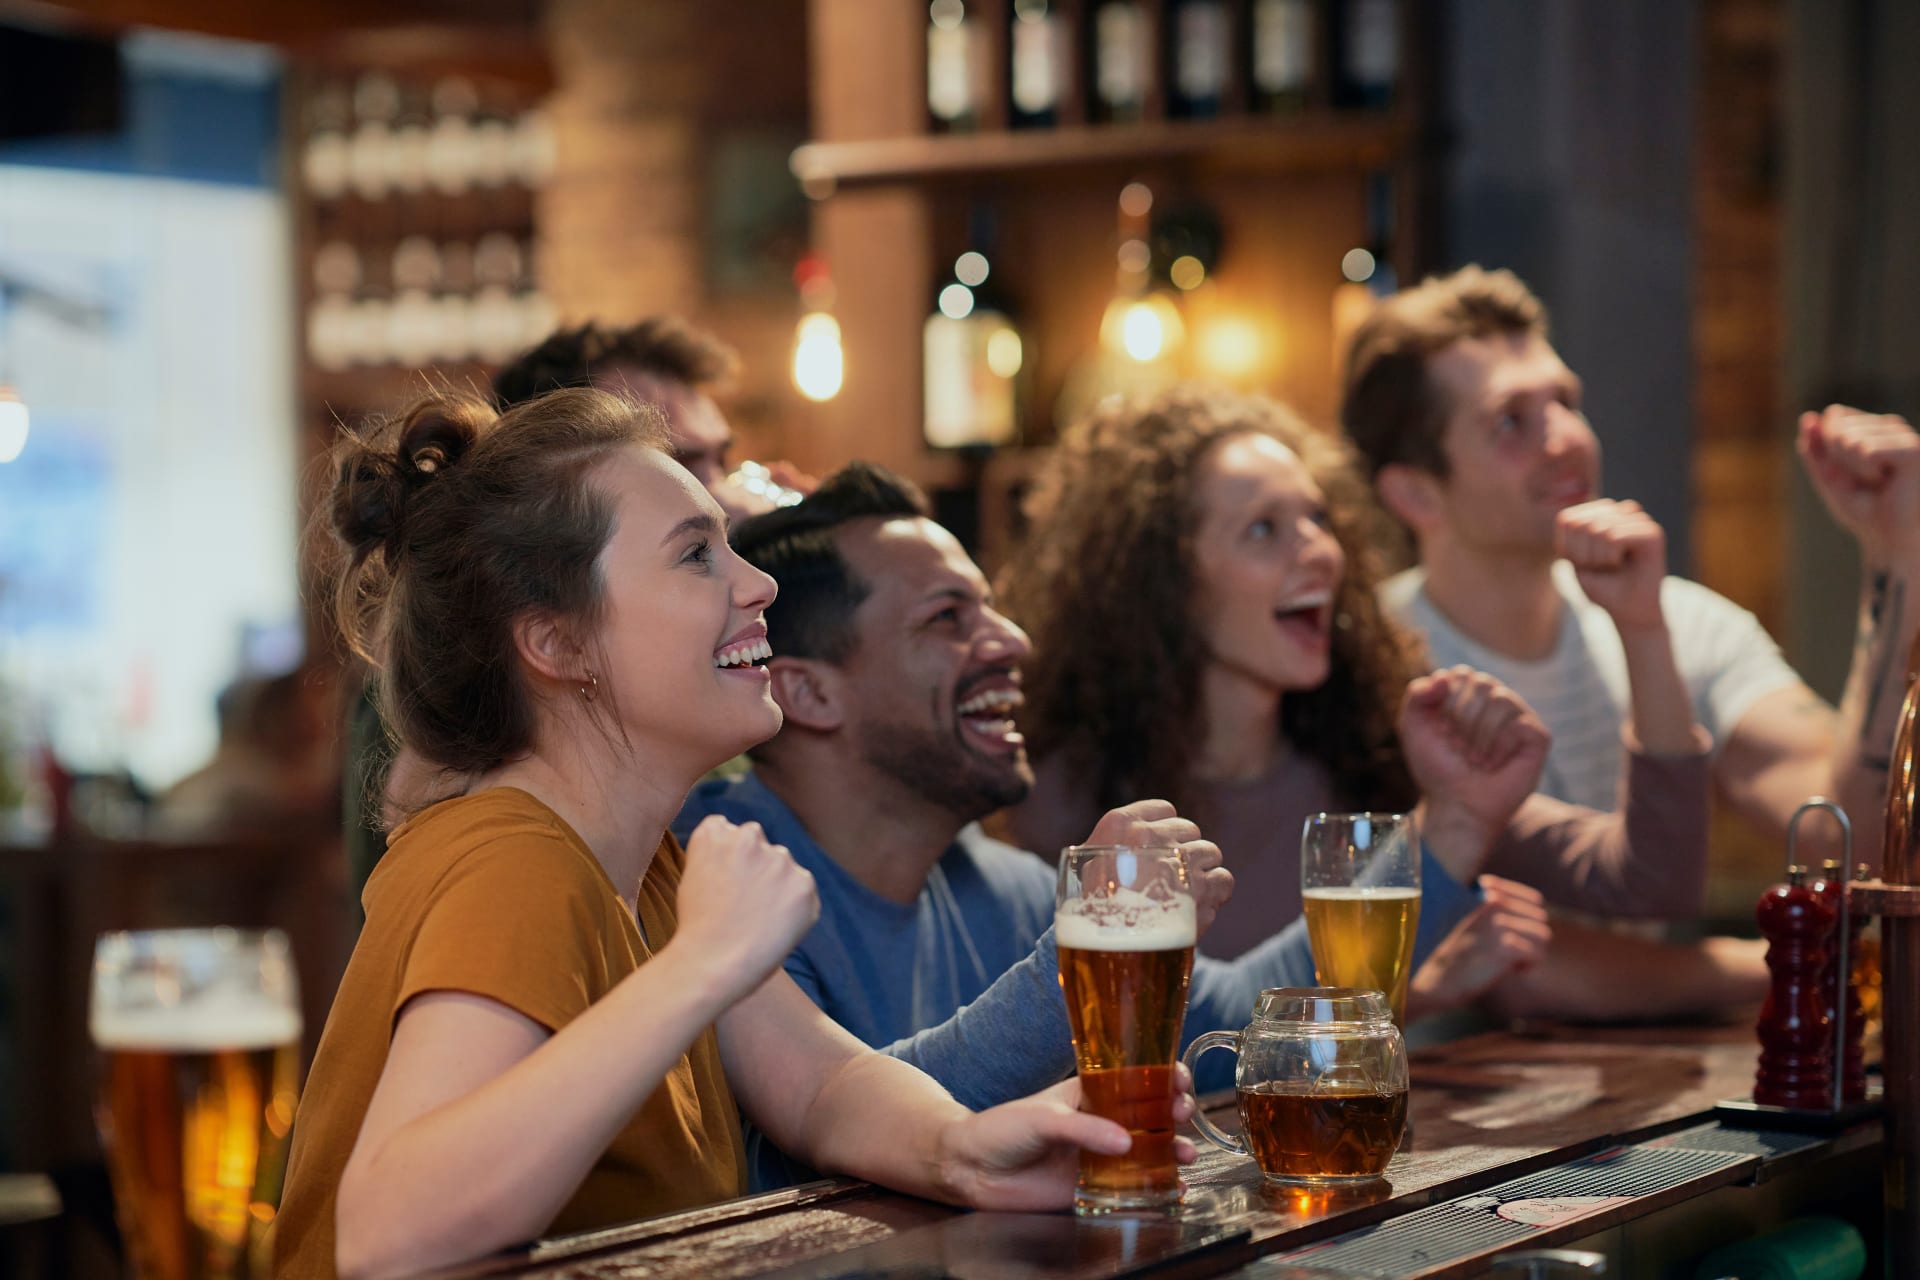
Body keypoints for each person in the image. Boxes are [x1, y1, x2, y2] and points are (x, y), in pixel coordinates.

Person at [280, 389, 1195, 1280]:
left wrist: (962, 1148)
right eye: (695, 556)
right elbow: (392, 1240)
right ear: (556, 644)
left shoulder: (643, 866)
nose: (759, 583)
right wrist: (703, 961)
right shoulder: (515, 858)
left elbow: (818, 1086)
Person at [676, 460, 1549, 1158]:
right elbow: (819, 1142)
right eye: (949, 618)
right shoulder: (707, 873)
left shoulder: (1004, 884)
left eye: (992, 609)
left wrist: (1458, 822)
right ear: (809, 694)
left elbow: (1240, 1016)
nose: (1012, 641)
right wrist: (1087, 944)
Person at [995, 388, 1713, 1003]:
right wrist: (1414, 990)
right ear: (1165, 582)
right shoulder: (1061, 799)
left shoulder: (1382, 752)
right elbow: (1123, 1045)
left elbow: (1652, 883)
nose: (1319, 550)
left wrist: (1642, 626)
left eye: (1318, 520)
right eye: (1263, 530)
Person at [1342, 265, 1920, 864]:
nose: (1569, 439)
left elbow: (1849, 838)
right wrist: (1743, 964)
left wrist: (1896, 553)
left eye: (1566, 401)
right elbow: (1477, 934)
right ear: (1416, 494)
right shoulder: (1370, 662)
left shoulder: (1681, 623)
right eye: (1511, 420)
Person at [344, 317, 815, 914]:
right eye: (673, 463)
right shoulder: (500, 860)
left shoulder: (656, 857)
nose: (719, 492)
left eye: (721, 461)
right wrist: (710, 962)